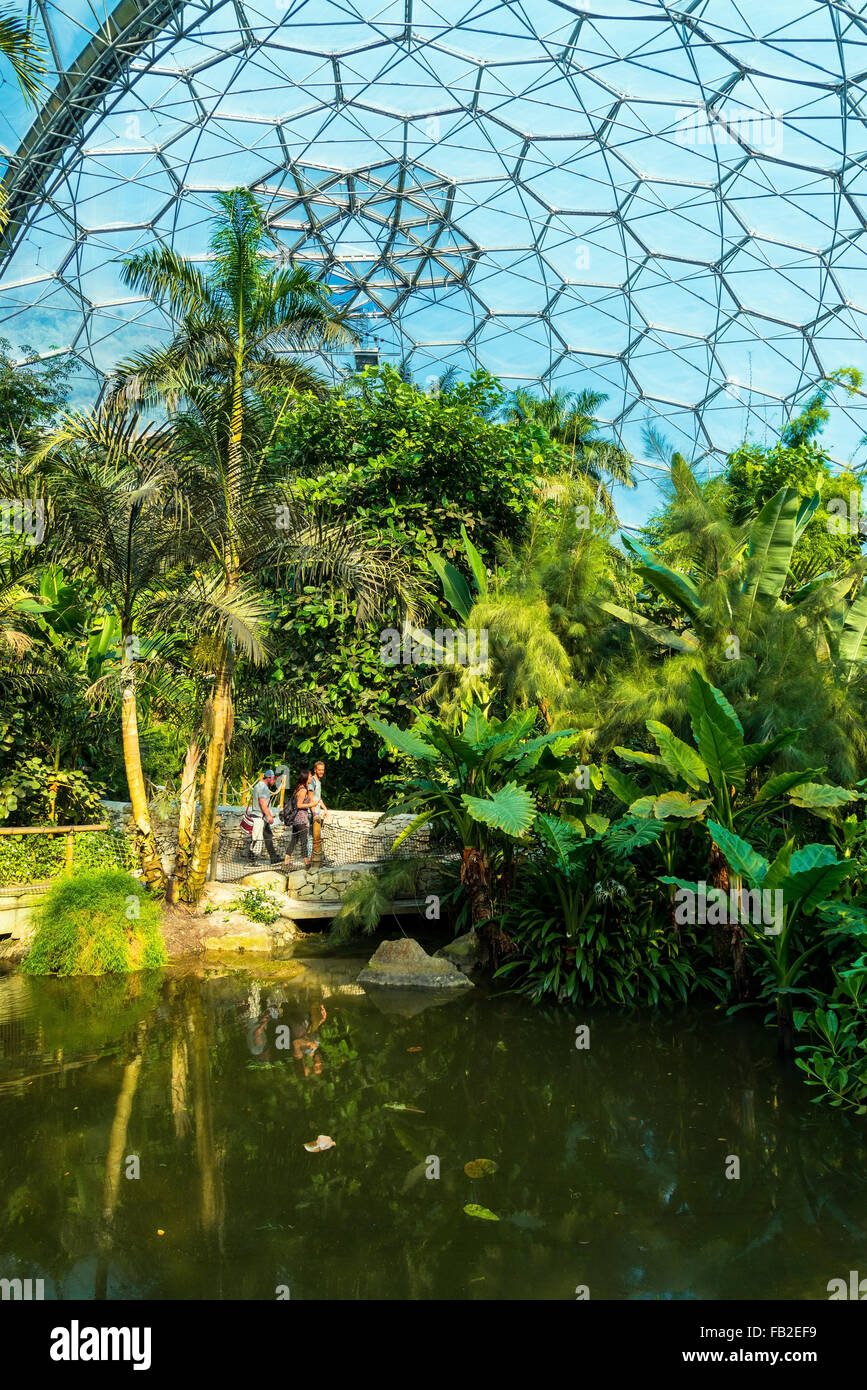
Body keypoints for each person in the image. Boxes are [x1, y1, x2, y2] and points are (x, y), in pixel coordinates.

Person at [283, 770, 315, 866]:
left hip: (296, 819)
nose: (311, 778)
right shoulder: (303, 790)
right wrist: (311, 804)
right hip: (301, 819)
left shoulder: (299, 788)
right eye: (310, 776)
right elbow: (299, 805)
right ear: (305, 777)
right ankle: (306, 862)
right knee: (304, 841)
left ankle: (286, 861)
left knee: (294, 840)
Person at [250, 768, 279, 862]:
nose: (274, 781)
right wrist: (269, 816)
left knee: (268, 836)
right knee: (256, 839)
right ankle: (251, 861)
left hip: (260, 817)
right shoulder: (263, 787)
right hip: (259, 817)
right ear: (269, 778)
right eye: (273, 779)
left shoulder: (259, 785)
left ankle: (274, 858)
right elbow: (262, 803)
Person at [308, 758, 329, 859]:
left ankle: (321, 857)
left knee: (318, 836)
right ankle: (311, 858)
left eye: (323, 769)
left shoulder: (318, 781)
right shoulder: (312, 781)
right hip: (312, 813)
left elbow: (318, 798)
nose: (321, 771)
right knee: (313, 836)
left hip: (317, 812)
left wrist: (324, 808)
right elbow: (310, 798)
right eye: (319, 769)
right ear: (315, 770)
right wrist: (314, 814)